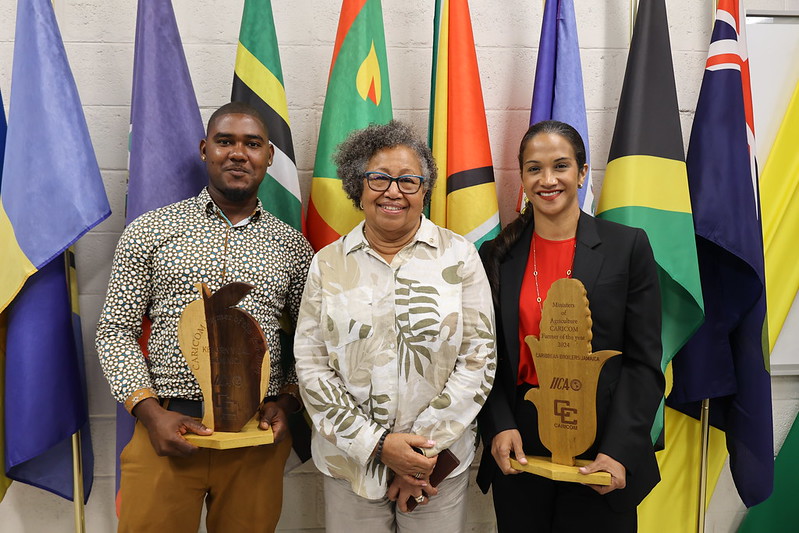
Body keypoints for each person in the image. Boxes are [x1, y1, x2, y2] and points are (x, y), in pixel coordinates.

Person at [96, 102, 314, 533]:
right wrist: (149, 412)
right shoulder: (151, 231)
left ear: (269, 156)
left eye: (252, 144)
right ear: (203, 149)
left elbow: (311, 340)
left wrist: (287, 402)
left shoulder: (293, 247)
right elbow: (115, 329)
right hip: (166, 431)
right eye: (225, 141)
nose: (238, 153)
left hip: (256, 439)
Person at [294, 120, 496, 532]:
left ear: (424, 189)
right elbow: (311, 365)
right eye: (379, 178)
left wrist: (417, 458)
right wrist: (379, 446)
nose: (393, 191)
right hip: (350, 465)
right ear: (358, 185)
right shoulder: (327, 264)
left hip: (436, 466)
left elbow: (479, 358)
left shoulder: (460, 257)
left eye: (408, 180)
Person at [477, 120, 664, 532]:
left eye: (560, 166)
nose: (548, 179)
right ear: (522, 178)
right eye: (533, 168)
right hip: (521, 437)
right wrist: (499, 424)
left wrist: (619, 450)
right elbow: (484, 356)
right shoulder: (496, 255)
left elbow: (644, 362)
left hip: (602, 439)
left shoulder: (627, 247)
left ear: (582, 173)